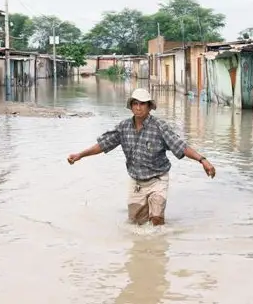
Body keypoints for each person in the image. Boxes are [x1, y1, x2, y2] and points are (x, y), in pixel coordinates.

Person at [67, 88, 216, 226]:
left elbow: (181, 146)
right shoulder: (124, 127)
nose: (138, 107)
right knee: (136, 224)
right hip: (137, 181)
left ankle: (158, 242)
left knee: (156, 219)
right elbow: (103, 145)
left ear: (149, 107)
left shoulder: (159, 126)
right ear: (131, 106)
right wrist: (80, 155)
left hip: (158, 179)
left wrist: (202, 160)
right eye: (135, 104)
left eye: (142, 104)